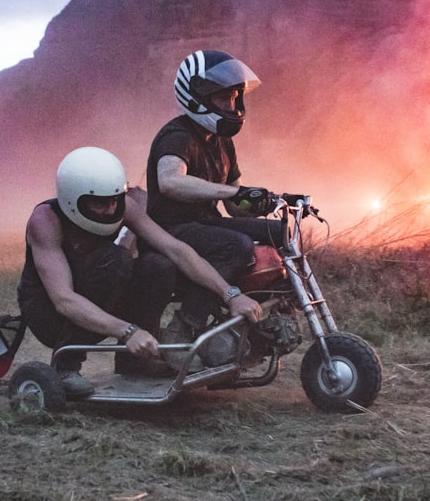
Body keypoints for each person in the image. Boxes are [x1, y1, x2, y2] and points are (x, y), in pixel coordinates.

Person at [17, 146, 263, 398]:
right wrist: (128, 331)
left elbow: (177, 250)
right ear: (72, 197)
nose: (110, 210)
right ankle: (66, 367)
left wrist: (231, 294)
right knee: (117, 260)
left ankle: (136, 361)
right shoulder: (46, 221)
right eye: (100, 204)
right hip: (47, 311)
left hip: (97, 292)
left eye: (114, 200)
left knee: (158, 265)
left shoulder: (125, 208)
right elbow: (63, 300)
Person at [146, 50, 280, 363]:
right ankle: (185, 328)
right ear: (197, 97)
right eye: (224, 98)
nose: (232, 105)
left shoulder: (221, 141)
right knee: (236, 246)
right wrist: (227, 192)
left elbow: (233, 204)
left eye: (235, 97)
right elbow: (169, 182)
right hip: (170, 227)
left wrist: (261, 201)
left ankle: (268, 315)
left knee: (280, 233)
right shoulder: (177, 135)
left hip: (205, 223)